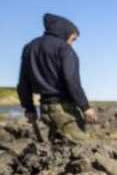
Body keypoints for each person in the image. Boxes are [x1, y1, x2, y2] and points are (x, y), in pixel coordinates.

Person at [17, 13, 97, 142]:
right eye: (73, 39)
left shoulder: (29, 47)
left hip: (44, 110)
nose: (72, 44)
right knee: (85, 147)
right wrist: (85, 107)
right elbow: (72, 81)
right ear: (66, 32)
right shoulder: (64, 48)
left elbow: (23, 83)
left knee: (57, 147)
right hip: (63, 109)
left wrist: (29, 108)